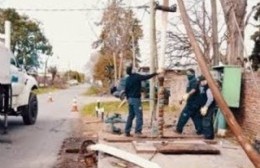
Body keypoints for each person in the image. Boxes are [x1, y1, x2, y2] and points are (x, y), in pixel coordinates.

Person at [124, 65, 159, 137]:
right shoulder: (136, 76)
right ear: (132, 70)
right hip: (136, 99)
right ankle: (138, 132)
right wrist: (156, 73)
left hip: (130, 99)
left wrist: (127, 98)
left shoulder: (127, 79)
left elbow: (126, 90)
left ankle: (127, 131)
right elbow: (146, 77)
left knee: (131, 115)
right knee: (139, 115)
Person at [175, 68, 202, 134]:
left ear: (193, 73)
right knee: (196, 117)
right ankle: (200, 130)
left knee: (184, 116)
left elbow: (193, 90)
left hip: (192, 103)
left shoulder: (194, 80)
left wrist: (185, 97)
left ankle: (179, 130)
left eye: (189, 74)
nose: (188, 75)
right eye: (187, 74)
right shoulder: (191, 81)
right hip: (195, 103)